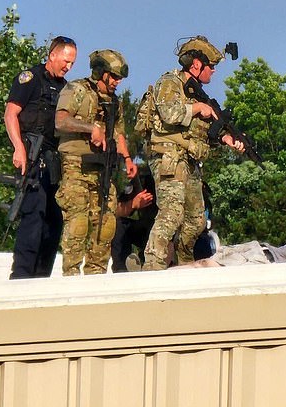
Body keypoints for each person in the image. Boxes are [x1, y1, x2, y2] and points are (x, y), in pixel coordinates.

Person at [142, 35, 244, 271]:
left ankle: (184, 263)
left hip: (189, 159)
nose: (214, 72)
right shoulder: (170, 82)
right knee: (171, 213)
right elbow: (169, 113)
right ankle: (152, 267)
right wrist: (198, 108)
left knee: (197, 220)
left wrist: (227, 138)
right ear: (196, 65)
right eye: (212, 67)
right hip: (169, 156)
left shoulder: (197, 92)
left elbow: (203, 130)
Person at [55, 49, 137, 275]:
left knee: (105, 224)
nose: (117, 82)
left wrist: (128, 159)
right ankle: (70, 276)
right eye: (115, 76)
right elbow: (60, 121)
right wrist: (91, 128)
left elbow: (119, 134)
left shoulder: (115, 102)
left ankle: (96, 277)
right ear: (101, 72)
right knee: (78, 223)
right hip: (76, 165)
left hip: (104, 168)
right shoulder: (77, 89)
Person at [4, 36, 78, 279]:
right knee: (33, 216)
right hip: (32, 156)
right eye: (66, 61)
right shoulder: (30, 79)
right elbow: (11, 114)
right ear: (53, 55)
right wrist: (18, 148)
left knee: (54, 221)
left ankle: (41, 277)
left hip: (55, 162)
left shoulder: (68, 89)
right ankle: (21, 276)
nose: (68, 66)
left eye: (72, 63)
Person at [110, 170, 157, 272]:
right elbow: (116, 211)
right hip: (142, 229)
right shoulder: (140, 180)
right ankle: (121, 269)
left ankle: (155, 265)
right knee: (118, 224)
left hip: (160, 231)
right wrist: (133, 204)